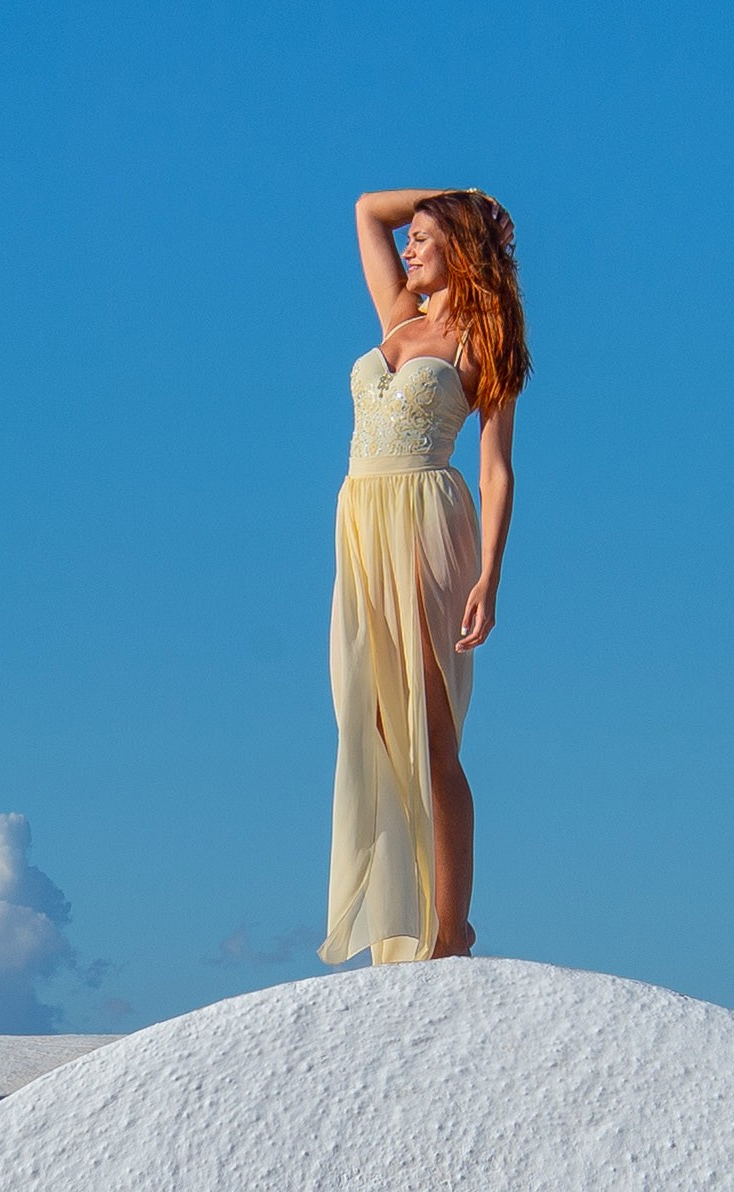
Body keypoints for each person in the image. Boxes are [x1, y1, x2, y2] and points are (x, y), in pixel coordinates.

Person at [326, 189, 530, 967]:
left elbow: (497, 466)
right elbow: (365, 210)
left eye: (422, 238)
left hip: (426, 519)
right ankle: (405, 917)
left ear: (460, 249)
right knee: (376, 723)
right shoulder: (397, 316)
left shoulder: (484, 334)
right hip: (360, 524)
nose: (407, 249)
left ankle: (452, 931)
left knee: (431, 728)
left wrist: (490, 576)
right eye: (408, 239)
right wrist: (457, 199)